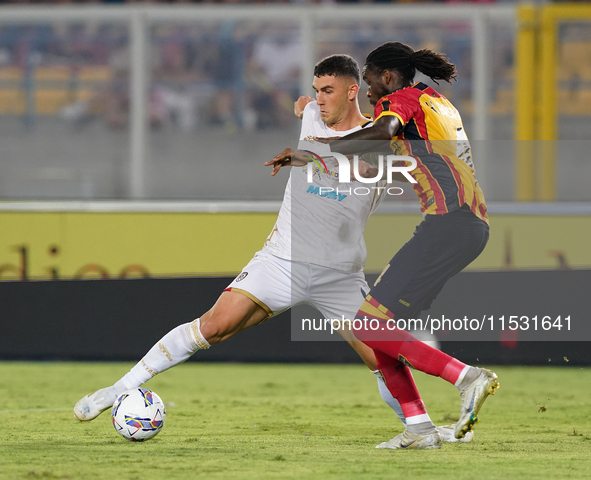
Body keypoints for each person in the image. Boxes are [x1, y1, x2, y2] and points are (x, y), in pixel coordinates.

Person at [72, 55, 460, 443]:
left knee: (383, 361)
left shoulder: (378, 141)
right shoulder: (312, 115)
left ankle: (421, 428)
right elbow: (305, 107)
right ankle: (119, 389)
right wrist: (305, 105)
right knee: (212, 327)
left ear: (352, 90)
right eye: (316, 91)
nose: (319, 99)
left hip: (340, 274)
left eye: (328, 91)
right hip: (281, 260)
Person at [269, 42, 499, 450]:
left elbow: (380, 132)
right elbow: (373, 161)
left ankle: (467, 377)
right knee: (378, 327)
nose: (370, 93)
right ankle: (419, 428)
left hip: (447, 225)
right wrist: (309, 126)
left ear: (388, 78)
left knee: (367, 325)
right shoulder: (437, 103)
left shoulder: (400, 100)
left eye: (371, 83)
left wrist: (318, 142)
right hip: (469, 226)